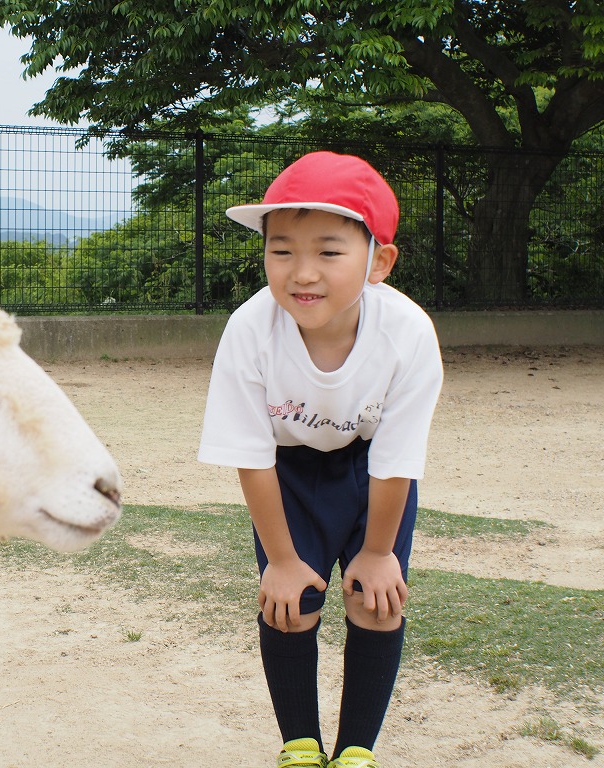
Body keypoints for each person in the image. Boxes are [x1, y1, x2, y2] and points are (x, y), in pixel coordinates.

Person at [198, 151, 443, 768]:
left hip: (370, 477)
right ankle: (301, 746)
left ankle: (358, 750)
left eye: (329, 252)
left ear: (378, 262)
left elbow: (395, 460)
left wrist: (380, 552)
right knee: (290, 605)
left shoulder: (408, 333)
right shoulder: (250, 329)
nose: (301, 272)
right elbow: (251, 457)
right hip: (288, 475)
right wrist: (281, 560)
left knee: (374, 599)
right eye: (281, 250)